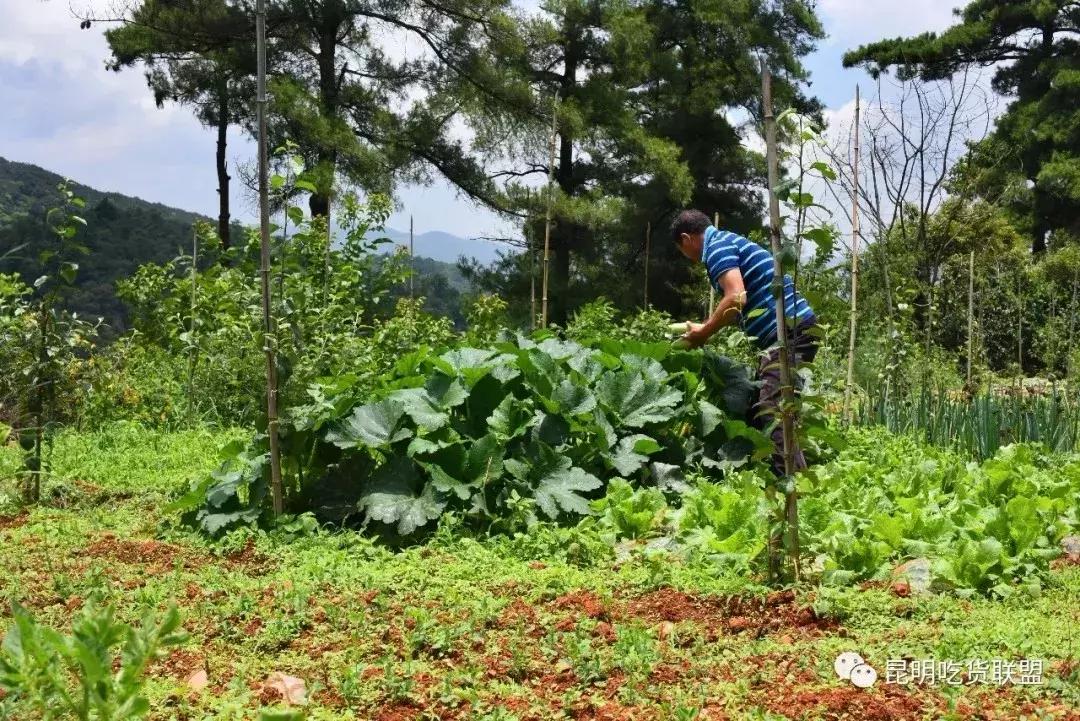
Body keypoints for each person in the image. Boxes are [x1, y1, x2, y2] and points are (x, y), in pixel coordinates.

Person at [670, 209, 818, 478]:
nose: (686, 257)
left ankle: (792, 490)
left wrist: (704, 334)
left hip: (788, 331)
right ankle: (785, 478)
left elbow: (737, 297)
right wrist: (705, 327)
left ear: (686, 238)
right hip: (789, 330)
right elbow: (735, 306)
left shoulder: (716, 248)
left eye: (681, 250)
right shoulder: (726, 242)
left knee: (772, 409)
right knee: (769, 406)